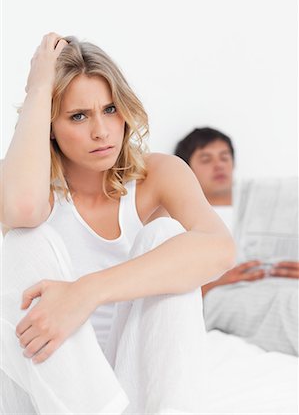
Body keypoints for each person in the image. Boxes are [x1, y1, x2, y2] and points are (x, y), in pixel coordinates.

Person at [0, 34, 235, 414]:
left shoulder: (159, 173)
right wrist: (39, 86)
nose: (101, 131)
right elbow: (23, 211)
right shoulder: (20, 183)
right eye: (78, 116)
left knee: (168, 235)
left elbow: (219, 249)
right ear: (48, 124)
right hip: (47, 396)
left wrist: (85, 292)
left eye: (110, 109)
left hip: (133, 392)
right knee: (25, 240)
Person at [175, 127, 299, 356]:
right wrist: (219, 281)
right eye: (206, 159)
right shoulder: (177, 220)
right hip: (231, 292)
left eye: (225, 157)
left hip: (286, 281)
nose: (219, 165)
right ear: (186, 169)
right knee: (289, 304)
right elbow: (166, 290)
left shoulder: (269, 202)